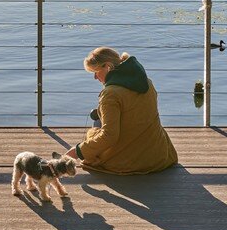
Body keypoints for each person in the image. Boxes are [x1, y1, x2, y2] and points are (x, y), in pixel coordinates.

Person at [65, 47, 178, 175]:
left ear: (107, 67)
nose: (95, 77)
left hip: (129, 161)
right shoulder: (147, 82)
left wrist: (77, 151)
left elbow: (109, 136)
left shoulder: (110, 94)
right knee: (98, 117)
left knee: (94, 131)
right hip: (157, 155)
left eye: (95, 72)